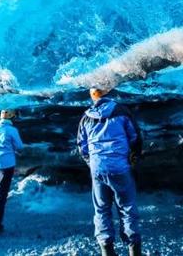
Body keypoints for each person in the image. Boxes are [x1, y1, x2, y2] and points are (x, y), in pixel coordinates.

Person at [77, 88, 143, 256]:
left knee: (101, 209)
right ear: (108, 92)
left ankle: (107, 251)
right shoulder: (121, 110)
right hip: (120, 167)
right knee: (127, 208)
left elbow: (82, 147)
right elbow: (135, 137)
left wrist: (92, 164)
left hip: (97, 169)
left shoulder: (85, 117)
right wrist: (134, 158)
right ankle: (134, 249)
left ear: (93, 97)